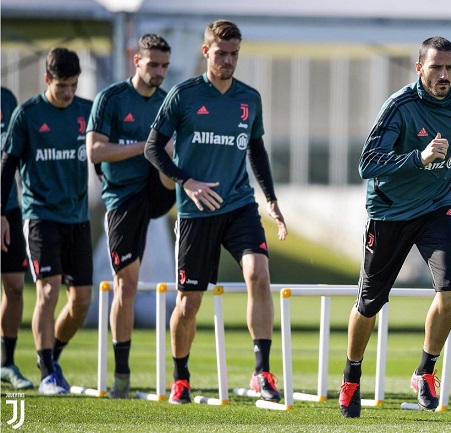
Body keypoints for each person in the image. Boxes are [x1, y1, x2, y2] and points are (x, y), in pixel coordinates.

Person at [338, 36, 451, 418]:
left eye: (450, 67)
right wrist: (419, 158)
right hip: (390, 212)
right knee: (370, 303)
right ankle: (351, 377)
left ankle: (425, 371)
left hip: (438, 208)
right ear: (418, 67)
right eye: (436, 67)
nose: (444, 75)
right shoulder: (400, 106)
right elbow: (367, 163)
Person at [144, 19, 288, 405]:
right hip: (195, 212)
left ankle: (262, 372)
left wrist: (271, 200)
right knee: (189, 303)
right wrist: (186, 182)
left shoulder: (249, 98)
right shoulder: (184, 95)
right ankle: (181, 377)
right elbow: (153, 149)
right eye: (221, 53)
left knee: (258, 273)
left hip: (240, 205)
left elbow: (255, 149)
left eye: (234, 54)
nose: (228, 60)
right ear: (206, 52)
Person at [86, 34, 175, 399]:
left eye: (164, 66)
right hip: (122, 198)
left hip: (155, 190)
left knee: (182, 167)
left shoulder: (168, 101)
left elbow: (171, 149)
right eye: (152, 64)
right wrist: (146, 147)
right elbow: (94, 151)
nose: (158, 72)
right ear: (134, 60)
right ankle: (122, 373)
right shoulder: (111, 99)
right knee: (127, 284)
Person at [0, 48, 94, 395]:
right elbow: (7, 166)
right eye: (61, 86)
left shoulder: (87, 111)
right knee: (48, 290)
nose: (68, 93)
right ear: (46, 80)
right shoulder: (27, 115)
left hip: (78, 218)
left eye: (73, 85)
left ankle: (51, 356)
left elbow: (97, 158)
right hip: (40, 216)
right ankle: (47, 372)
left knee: (81, 301)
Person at [1, 86, 34, 390]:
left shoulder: (7, 98)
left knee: (14, 286)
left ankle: (6, 362)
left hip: (8, 207)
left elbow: (11, 153)